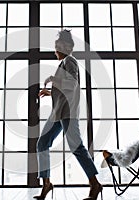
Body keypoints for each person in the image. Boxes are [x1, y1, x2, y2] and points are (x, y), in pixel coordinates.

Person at [34, 30, 103, 200]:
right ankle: (46, 184)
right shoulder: (64, 62)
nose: (54, 51)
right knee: (42, 143)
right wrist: (50, 92)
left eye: (56, 47)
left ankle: (95, 184)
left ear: (64, 48)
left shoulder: (70, 61)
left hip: (67, 113)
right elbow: (65, 88)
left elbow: (72, 84)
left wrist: (52, 78)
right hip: (58, 112)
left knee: (77, 147)